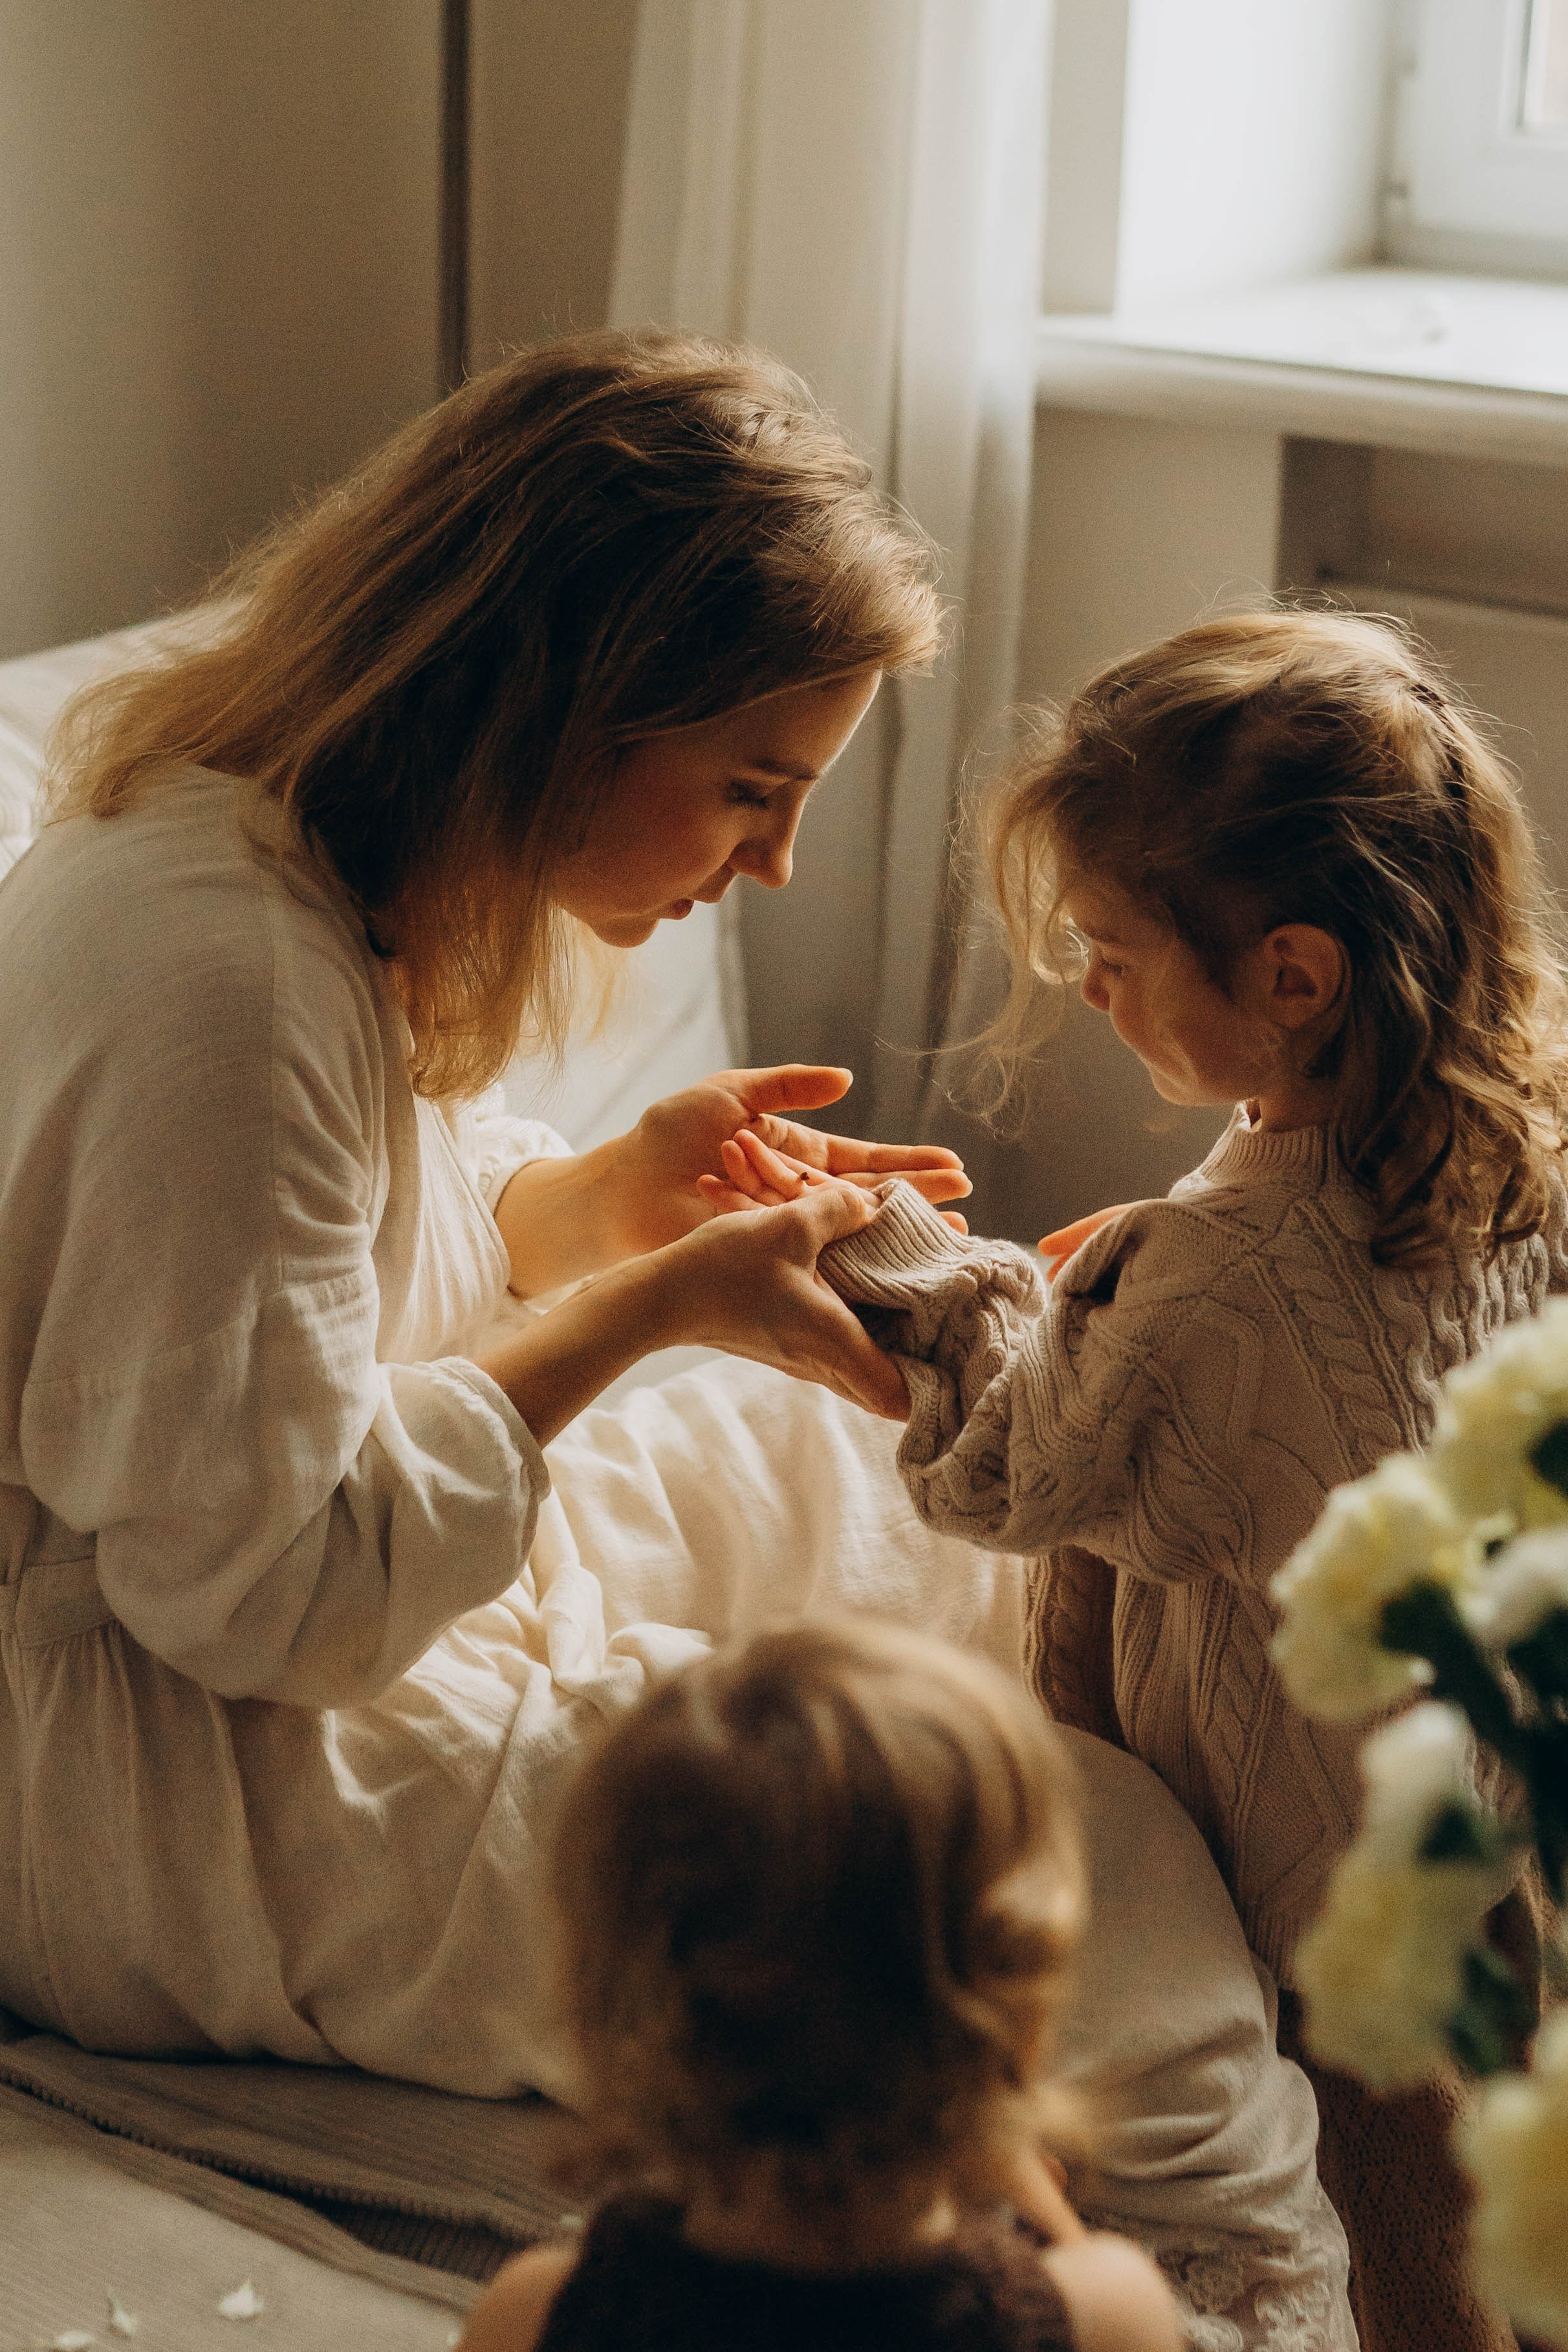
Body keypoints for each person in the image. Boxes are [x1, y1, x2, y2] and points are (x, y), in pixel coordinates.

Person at [721, 609, 1568, 2352]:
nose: (1086, 988)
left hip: (1302, 1873)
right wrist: (1136, 1278)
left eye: (1111, 951)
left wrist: (915, 1260)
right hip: (1478, 1790)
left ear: (1295, 975)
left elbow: (1017, 1477)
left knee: (1386, 2225)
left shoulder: (1217, 1272)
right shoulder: (1509, 1154)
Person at [458, 1617, 1184, 2352]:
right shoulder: (1110, 2317)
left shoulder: (536, 2315)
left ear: (614, 2016)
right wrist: (1038, 2202)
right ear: (1014, 2023)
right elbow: (1088, 2282)